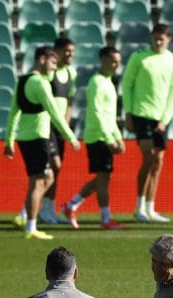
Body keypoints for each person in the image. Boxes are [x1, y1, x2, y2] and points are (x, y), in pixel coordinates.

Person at [4, 46, 81, 240]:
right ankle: (31, 226)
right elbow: (54, 112)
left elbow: (14, 112)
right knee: (41, 180)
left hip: (25, 138)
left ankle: (26, 217)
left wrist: (9, 140)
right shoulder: (40, 83)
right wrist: (71, 136)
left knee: (42, 179)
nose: (55, 67)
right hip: (39, 138)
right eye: (53, 62)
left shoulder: (21, 81)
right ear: (41, 59)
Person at [122, 24, 173, 224]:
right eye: (155, 38)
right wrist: (128, 113)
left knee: (158, 163)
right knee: (148, 158)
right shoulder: (139, 57)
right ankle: (138, 207)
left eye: (162, 39)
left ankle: (150, 207)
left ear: (169, 39)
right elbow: (127, 85)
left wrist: (165, 119)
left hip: (161, 118)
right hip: (141, 114)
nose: (158, 42)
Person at [62, 47, 126, 230]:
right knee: (103, 179)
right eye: (113, 61)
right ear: (103, 60)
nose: (116, 65)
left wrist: (118, 137)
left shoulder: (108, 82)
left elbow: (110, 115)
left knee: (102, 178)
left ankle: (72, 205)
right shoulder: (97, 82)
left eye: (118, 61)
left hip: (104, 136)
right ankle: (105, 218)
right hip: (97, 137)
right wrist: (109, 139)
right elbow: (97, 113)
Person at [40, 36, 77, 224]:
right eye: (66, 51)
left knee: (57, 169)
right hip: (47, 127)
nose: (70, 54)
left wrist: (66, 125)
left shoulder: (71, 73)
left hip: (61, 129)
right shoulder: (49, 73)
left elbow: (69, 102)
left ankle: (49, 209)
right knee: (52, 167)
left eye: (72, 51)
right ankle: (36, 209)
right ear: (57, 51)